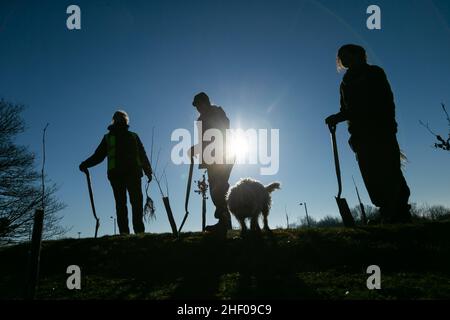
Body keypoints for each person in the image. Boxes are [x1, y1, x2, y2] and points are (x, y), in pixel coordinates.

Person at [325, 44, 411, 224]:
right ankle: (386, 210)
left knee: (389, 170)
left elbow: (387, 100)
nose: (343, 59)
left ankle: (400, 211)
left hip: (380, 129)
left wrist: (390, 126)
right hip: (359, 135)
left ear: (358, 55)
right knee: (370, 173)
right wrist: (336, 118)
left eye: (346, 55)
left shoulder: (374, 73)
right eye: (341, 56)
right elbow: (346, 109)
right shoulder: (344, 83)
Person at [79, 110, 153, 234]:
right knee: (123, 204)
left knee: (134, 204)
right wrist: (85, 164)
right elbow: (98, 156)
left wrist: (148, 170)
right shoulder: (108, 137)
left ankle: (138, 233)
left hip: (131, 173)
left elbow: (142, 154)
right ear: (114, 120)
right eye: (118, 118)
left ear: (125, 120)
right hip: (118, 175)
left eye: (121, 118)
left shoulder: (133, 136)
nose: (120, 119)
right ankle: (126, 233)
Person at [190, 92, 234, 236]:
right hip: (212, 160)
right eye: (196, 106)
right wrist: (195, 149)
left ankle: (223, 221)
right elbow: (204, 142)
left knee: (219, 189)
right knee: (216, 190)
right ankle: (225, 222)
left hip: (223, 155)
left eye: (199, 105)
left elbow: (221, 133)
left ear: (205, 102)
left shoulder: (217, 112)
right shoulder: (200, 119)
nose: (198, 108)